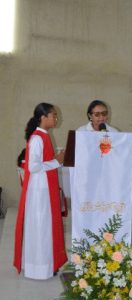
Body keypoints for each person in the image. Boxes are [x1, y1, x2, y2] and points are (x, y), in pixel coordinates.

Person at [13, 103, 68, 280]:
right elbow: (33, 166)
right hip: (39, 191)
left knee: (45, 227)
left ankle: (47, 265)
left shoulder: (43, 136)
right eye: (53, 115)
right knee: (40, 227)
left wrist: (55, 159)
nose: (55, 118)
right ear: (42, 117)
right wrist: (57, 161)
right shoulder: (37, 138)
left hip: (44, 188)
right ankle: (38, 268)